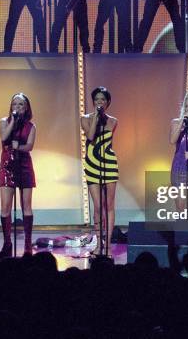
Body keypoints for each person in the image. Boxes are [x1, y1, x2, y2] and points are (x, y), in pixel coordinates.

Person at [81, 87, 118, 256]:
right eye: (96, 99)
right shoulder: (85, 119)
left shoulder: (113, 121)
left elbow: (104, 139)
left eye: (103, 100)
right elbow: (90, 136)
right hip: (92, 163)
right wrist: (95, 117)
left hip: (108, 163)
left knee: (109, 205)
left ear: (107, 102)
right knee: (97, 206)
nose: (99, 102)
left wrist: (100, 117)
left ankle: (108, 246)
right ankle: (98, 244)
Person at [0, 93, 36, 258]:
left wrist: (18, 147)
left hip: (24, 165)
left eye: (21, 105)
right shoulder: (4, 122)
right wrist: (13, 121)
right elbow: (4, 137)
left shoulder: (31, 126)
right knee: (5, 207)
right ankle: (7, 242)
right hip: (8, 165)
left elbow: (29, 146)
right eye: (15, 104)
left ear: (26, 107)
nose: (17, 107)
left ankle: (28, 242)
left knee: (26, 205)